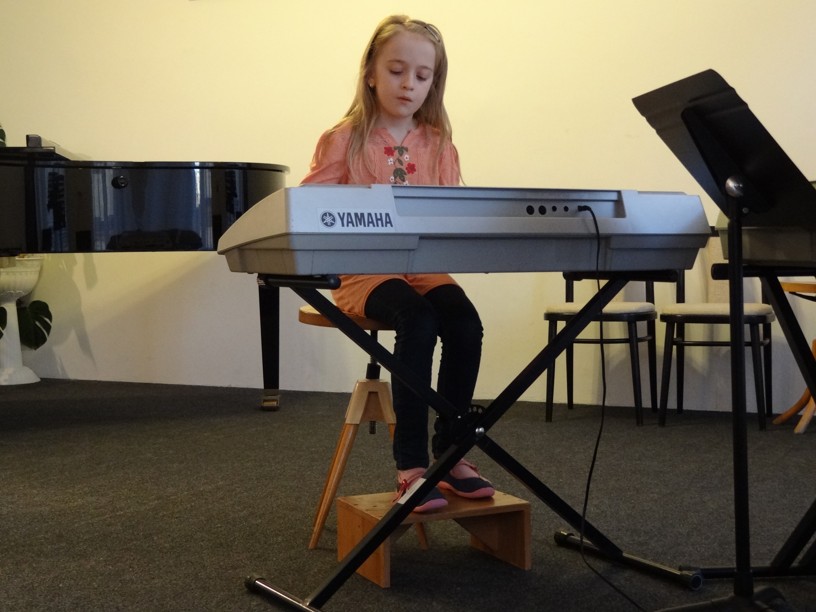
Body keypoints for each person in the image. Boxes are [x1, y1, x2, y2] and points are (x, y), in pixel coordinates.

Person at [301, 15, 494, 512]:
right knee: (418, 318)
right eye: (396, 71)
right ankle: (411, 467)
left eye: (422, 75)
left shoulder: (438, 143)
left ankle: (452, 450)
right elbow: (310, 208)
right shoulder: (344, 138)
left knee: (464, 322)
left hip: (421, 266)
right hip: (364, 271)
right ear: (370, 72)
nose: (409, 84)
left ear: (434, 82)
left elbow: (452, 213)